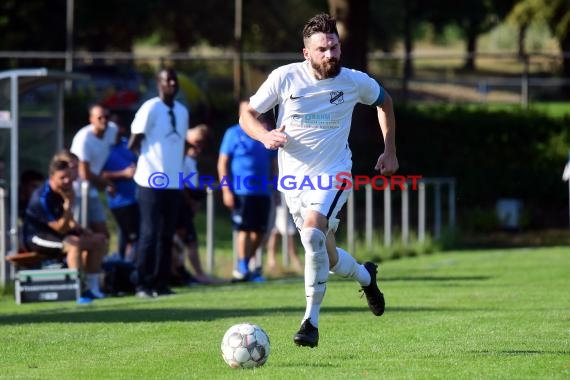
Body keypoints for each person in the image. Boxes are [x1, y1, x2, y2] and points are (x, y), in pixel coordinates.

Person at [238, 13, 399, 347]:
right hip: (294, 183)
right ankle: (367, 276)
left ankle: (310, 323)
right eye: (323, 49)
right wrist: (265, 136)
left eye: (335, 47)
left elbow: (384, 102)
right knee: (329, 256)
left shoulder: (353, 81)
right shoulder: (284, 79)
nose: (331, 55)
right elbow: (248, 115)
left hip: (334, 173)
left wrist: (390, 150)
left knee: (312, 233)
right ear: (306, 53)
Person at [129, 67, 189, 298]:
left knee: (167, 234)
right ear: (158, 83)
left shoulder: (182, 111)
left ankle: (161, 283)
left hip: (173, 182)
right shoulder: (150, 107)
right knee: (149, 233)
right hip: (150, 181)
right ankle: (143, 284)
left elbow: (181, 145)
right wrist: (146, 165)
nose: (172, 84)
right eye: (167, 80)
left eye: (174, 80)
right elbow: (134, 141)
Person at [22, 157, 108, 300]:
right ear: (52, 177)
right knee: (74, 245)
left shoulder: (65, 189)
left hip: (58, 234)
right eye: (62, 177)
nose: (67, 180)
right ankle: (79, 291)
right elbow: (60, 228)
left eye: (69, 176)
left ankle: (93, 288)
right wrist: (68, 204)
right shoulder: (43, 197)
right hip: (37, 238)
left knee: (98, 241)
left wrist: (82, 230)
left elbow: (68, 222)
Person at [217, 106, 277, 282]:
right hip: (241, 191)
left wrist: (275, 186)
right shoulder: (232, 133)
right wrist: (226, 189)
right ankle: (243, 267)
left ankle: (246, 264)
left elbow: (273, 162)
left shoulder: (266, 132)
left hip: (263, 191)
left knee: (260, 231)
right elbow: (222, 163)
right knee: (244, 229)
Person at [172, 124, 223, 285]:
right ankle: (181, 272)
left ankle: (187, 272)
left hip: (188, 200)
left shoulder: (191, 157)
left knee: (188, 241)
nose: (198, 147)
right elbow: (182, 182)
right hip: (181, 201)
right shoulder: (181, 156)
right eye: (197, 143)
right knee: (181, 240)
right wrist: (190, 200)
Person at [70, 104, 118, 239]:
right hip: (78, 191)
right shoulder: (83, 139)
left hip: (92, 190)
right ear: (91, 119)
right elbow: (84, 173)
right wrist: (107, 182)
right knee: (78, 235)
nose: (104, 120)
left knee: (103, 235)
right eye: (100, 117)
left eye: (106, 117)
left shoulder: (112, 130)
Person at [101, 116, 139, 261]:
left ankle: (125, 265)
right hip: (120, 201)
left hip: (135, 197)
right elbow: (98, 173)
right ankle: (127, 268)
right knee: (133, 237)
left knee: (128, 236)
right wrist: (123, 174)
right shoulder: (104, 148)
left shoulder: (127, 144)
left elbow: (137, 162)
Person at [266, 195, 303, 273]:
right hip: (279, 199)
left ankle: (272, 261)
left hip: (281, 199)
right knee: (285, 231)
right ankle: (295, 260)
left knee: (276, 231)